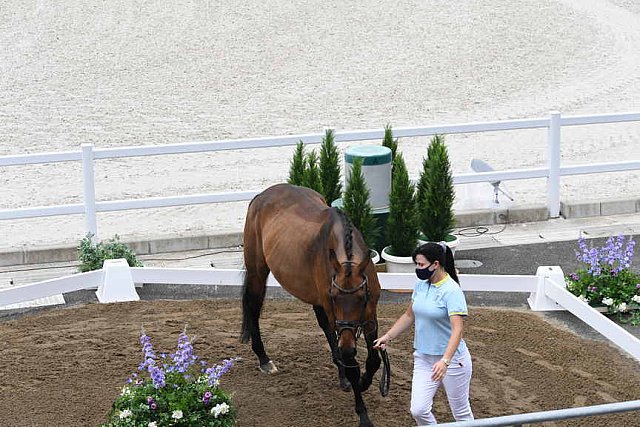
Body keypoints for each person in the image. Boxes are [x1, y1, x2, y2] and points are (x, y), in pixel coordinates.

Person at [374, 242, 473, 425]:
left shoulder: (452, 291)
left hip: (452, 361)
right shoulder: (420, 284)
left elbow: (458, 329)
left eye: (421, 265)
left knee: (461, 412)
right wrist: (388, 336)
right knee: (418, 410)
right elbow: (409, 315)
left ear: (435, 264)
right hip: (424, 357)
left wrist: (445, 361)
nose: (418, 269)